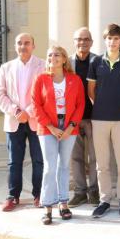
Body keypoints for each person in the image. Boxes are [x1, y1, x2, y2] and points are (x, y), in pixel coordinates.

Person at [87, 24, 120, 219]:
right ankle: (105, 200)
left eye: (116, 38)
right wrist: (100, 105)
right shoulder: (95, 62)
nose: (112, 41)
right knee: (102, 164)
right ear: (105, 40)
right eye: (109, 38)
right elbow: (91, 90)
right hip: (99, 119)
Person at [32, 46, 85, 225]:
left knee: (63, 166)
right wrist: (51, 127)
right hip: (47, 128)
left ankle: (63, 203)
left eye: (56, 55)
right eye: (49, 55)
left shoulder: (75, 80)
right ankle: (47, 206)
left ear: (64, 59)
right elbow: (35, 105)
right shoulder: (40, 79)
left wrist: (71, 127)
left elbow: (80, 104)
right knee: (50, 167)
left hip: (69, 127)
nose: (52, 58)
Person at [0, 33, 45, 211]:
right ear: (15, 46)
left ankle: (39, 194)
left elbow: (45, 93)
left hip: (36, 120)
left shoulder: (43, 65)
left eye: (26, 43)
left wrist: (28, 112)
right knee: (14, 161)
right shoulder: (6, 67)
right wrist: (16, 111)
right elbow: (0, 94)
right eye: (19, 43)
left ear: (33, 45)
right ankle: (12, 196)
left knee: (39, 160)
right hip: (13, 120)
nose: (23, 46)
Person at [68, 27, 99, 207]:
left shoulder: (98, 61)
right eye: (79, 39)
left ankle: (94, 190)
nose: (83, 42)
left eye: (86, 39)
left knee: (95, 157)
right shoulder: (68, 63)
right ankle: (80, 191)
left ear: (92, 42)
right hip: (74, 118)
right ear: (74, 42)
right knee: (76, 157)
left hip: (94, 118)